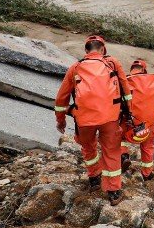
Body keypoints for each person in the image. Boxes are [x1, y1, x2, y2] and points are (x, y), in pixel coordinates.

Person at [55, 35, 132, 206]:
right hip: (110, 117)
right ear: (103, 49)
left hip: (84, 119)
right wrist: (129, 114)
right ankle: (113, 192)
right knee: (111, 151)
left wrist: (61, 120)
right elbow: (126, 91)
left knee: (88, 148)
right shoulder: (112, 63)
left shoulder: (75, 68)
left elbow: (61, 99)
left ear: (86, 51)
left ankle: (95, 178)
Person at [120, 59, 154, 181]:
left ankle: (123, 155)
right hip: (148, 124)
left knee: (119, 137)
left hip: (130, 123)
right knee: (148, 146)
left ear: (132, 69)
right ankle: (147, 173)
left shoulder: (126, 81)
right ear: (144, 70)